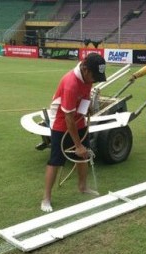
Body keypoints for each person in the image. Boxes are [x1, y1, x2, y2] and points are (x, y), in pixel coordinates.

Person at [41, 53, 106, 213]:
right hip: (61, 122)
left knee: (83, 156)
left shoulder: (88, 77)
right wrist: (77, 145)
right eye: (94, 76)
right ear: (84, 69)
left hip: (78, 117)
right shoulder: (71, 83)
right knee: (56, 160)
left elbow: (85, 95)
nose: (95, 80)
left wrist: (87, 106)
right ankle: (46, 198)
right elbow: (68, 119)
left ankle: (82, 187)